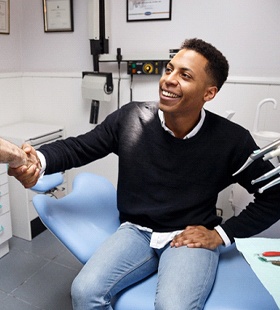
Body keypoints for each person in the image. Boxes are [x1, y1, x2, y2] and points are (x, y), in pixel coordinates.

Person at [9, 38, 280, 310]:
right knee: (84, 291)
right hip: (136, 231)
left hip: (187, 236)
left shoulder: (231, 141)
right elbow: (80, 147)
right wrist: (38, 160)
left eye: (185, 75)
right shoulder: (131, 118)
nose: (169, 80)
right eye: (170, 70)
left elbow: (275, 196)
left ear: (208, 93)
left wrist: (221, 234)